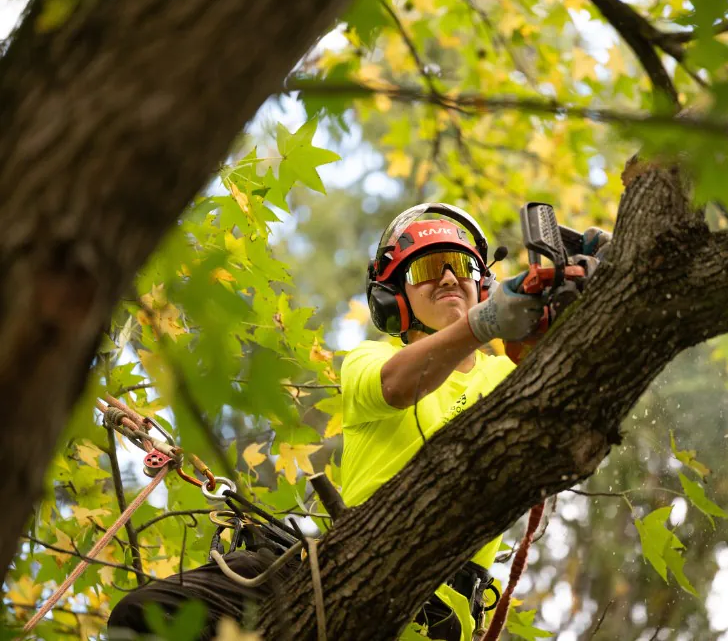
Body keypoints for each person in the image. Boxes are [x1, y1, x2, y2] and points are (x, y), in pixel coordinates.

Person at [107, 202, 604, 639]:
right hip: (339, 570)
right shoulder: (370, 361)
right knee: (147, 613)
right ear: (395, 301)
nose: (450, 278)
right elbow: (397, 385)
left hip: (434, 613)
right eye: (430, 269)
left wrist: (599, 297)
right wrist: (486, 323)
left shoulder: (507, 376)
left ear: (482, 281)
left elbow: (581, 398)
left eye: (460, 265)